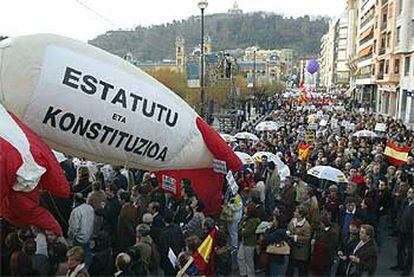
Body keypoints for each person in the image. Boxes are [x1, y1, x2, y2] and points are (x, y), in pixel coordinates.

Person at [391, 187, 414, 276]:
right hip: (402, 229)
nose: (409, 194)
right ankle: (400, 264)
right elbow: (400, 213)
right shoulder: (405, 202)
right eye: (409, 192)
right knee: (400, 247)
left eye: (411, 192)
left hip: (411, 232)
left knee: (410, 252)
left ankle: (407, 270)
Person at [68, 193, 94, 269]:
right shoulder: (90, 208)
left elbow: (74, 228)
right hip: (88, 236)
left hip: (79, 239)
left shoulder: (76, 211)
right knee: (87, 257)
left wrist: (71, 236)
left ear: (75, 201)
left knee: (76, 258)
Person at [286, 206, 312, 277]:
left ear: (301, 214)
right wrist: (288, 232)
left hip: (301, 252)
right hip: (292, 249)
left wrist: (295, 237)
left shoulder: (306, 225)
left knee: (302, 271)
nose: (294, 213)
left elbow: (307, 238)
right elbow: (288, 227)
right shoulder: (293, 220)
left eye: (296, 212)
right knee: (290, 269)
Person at [159, 209, 185, 276]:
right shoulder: (178, 228)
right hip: (178, 258)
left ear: (163, 219)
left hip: (168, 262)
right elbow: (182, 242)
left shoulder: (163, 233)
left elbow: (163, 250)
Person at [237, 202, 260, 277]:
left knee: (249, 261)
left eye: (246, 208)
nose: (244, 209)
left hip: (250, 243)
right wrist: (241, 229)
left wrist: (241, 230)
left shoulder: (253, 221)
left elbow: (245, 232)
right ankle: (243, 273)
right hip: (244, 241)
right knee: (240, 257)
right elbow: (240, 227)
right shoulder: (245, 218)